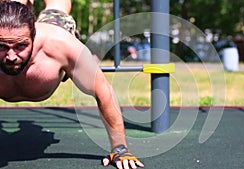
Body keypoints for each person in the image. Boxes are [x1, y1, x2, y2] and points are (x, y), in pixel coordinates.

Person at [0, 1, 144, 169]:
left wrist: (120, 149)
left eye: (21, 46)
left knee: (57, 7)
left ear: (34, 35)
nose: (11, 57)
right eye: (2, 46)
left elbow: (103, 90)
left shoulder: (61, 45)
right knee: (11, 6)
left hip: (56, 32)